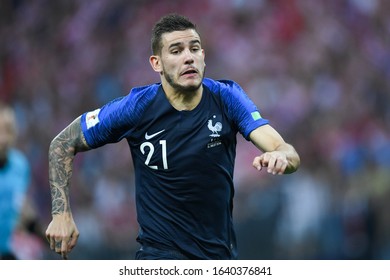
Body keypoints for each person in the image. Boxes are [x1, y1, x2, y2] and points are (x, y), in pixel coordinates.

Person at [45, 13, 300, 260]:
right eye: (176, 51)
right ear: (157, 63)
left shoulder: (227, 98)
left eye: (195, 48)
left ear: (203, 56)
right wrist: (61, 214)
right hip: (160, 257)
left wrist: (281, 155)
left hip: (218, 258)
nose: (188, 57)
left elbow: (286, 151)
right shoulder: (137, 107)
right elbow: (63, 143)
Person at [0, 102, 36, 259]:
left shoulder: (20, 165)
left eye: (7, 130)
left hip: (7, 252)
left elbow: (20, 207)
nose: (2, 138)